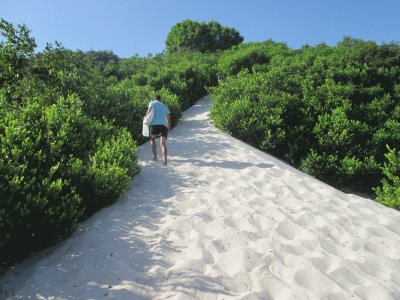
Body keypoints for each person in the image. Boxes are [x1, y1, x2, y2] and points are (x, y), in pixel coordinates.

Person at [144, 95, 171, 165]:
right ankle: (165, 161)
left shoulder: (152, 103)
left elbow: (148, 112)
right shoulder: (164, 106)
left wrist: (145, 117)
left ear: (154, 99)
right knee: (163, 144)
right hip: (163, 126)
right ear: (160, 99)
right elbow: (168, 118)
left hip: (154, 125)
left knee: (152, 140)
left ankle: (155, 157)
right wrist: (167, 128)